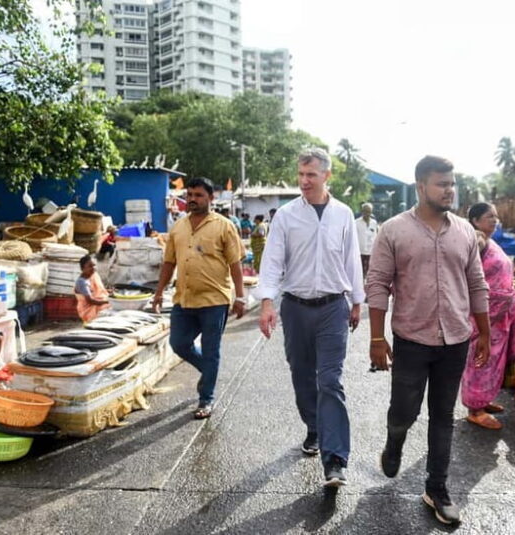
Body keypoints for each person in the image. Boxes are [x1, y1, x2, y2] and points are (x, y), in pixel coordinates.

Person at [366, 155, 490, 525]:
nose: (449, 190)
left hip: (455, 339)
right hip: (412, 339)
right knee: (404, 411)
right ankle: (395, 440)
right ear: (421, 186)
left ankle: (436, 488)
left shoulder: (466, 231)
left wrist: (484, 332)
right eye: (442, 184)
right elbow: (377, 285)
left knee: (443, 417)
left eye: (452, 183)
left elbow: (476, 284)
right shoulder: (393, 230)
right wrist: (376, 337)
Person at [256, 148, 364, 488]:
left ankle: (335, 461)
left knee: (330, 381)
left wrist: (357, 301)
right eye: (300, 175)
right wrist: (266, 303)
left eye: (311, 175)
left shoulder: (343, 214)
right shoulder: (286, 216)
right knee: (302, 374)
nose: (303, 181)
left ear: (326, 176)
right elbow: (272, 261)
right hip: (296, 307)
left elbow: (352, 260)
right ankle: (315, 427)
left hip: (334, 307)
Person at [152, 177, 246, 420]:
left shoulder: (224, 226)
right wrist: (159, 292)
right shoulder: (178, 227)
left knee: (211, 349)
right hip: (184, 298)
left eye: (198, 195)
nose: (192, 199)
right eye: (189, 195)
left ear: (211, 198)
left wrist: (241, 296)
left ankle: (206, 398)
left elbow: (235, 264)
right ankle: (208, 371)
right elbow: (169, 262)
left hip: (215, 300)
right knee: (179, 343)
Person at [461, 203, 515, 430]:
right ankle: (475, 409)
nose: (495, 220)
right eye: (490, 216)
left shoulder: (492, 241)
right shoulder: (475, 240)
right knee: (480, 361)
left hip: (500, 316)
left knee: (493, 363)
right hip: (484, 316)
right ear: (476, 220)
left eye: (496, 217)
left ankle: (483, 400)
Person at [75, 254, 110, 323]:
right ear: (82, 268)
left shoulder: (92, 276)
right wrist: (109, 301)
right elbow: (91, 301)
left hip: (96, 303)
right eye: (90, 266)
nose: (93, 268)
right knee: (111, 308)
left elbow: (98, 291)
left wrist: (108, 291)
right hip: (88, 309)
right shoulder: (82, 282)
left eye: (94, 265)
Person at [355, 202, 379, 278]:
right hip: (359, 251)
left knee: (370, 272)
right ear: (362, 211)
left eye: (368, 211)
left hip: (371, 251)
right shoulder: (356, 223)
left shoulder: (374, 223)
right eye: (365, 211)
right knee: (360, 272)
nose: (367, 213)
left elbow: (376, 236)